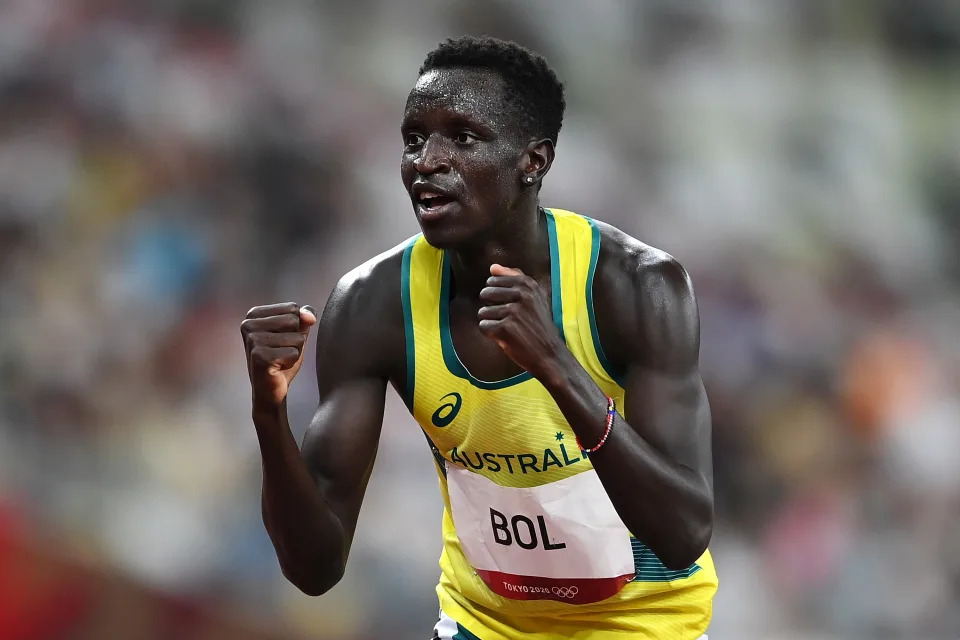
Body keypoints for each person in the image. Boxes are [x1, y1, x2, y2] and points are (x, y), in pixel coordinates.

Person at [240, 36, 717, 640]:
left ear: (533, 161)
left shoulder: (635, 288)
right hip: (482, 626)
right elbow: (315, 570)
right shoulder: (373, 304)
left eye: (462, 138)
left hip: (641, 625)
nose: (426, 161)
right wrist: (268, 413)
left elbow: (682, 535)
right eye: (414, 139)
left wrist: (557, 366)